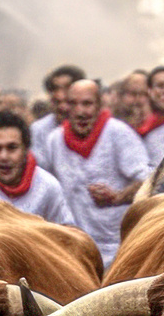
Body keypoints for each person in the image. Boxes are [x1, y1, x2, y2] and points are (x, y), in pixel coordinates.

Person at [33, 78, 149, 263]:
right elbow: (42, 188)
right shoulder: (54, 140)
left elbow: (149, 181)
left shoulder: (119, 133)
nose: (80, 112)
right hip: (73, 248)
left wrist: (118, 197)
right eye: (74, 104)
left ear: (99, 105)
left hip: (118, 246)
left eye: (87, 104)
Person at [33, 64, 82, 142]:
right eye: (55, 88)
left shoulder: (95, 125)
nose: (60, 95)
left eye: (67, 88)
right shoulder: (39, 130)